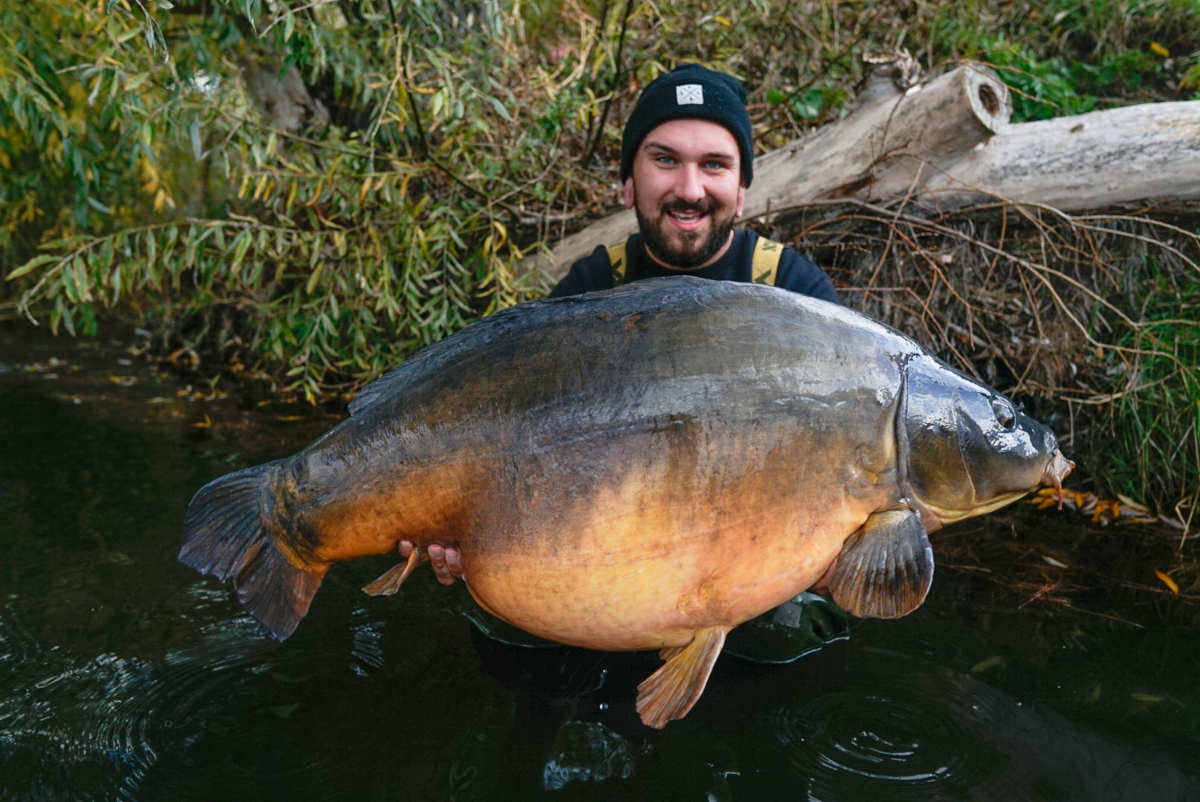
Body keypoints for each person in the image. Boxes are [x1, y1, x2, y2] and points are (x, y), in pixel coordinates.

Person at [403, 64, 838, 588]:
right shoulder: (588, 287)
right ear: (629, 183)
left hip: (743, 561)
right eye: (665, 160)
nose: (690, 189)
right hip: (610, 554)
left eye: (715, 165)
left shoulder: (796, 292)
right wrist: (464, 528)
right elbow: (516, 441)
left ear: (742, 189)